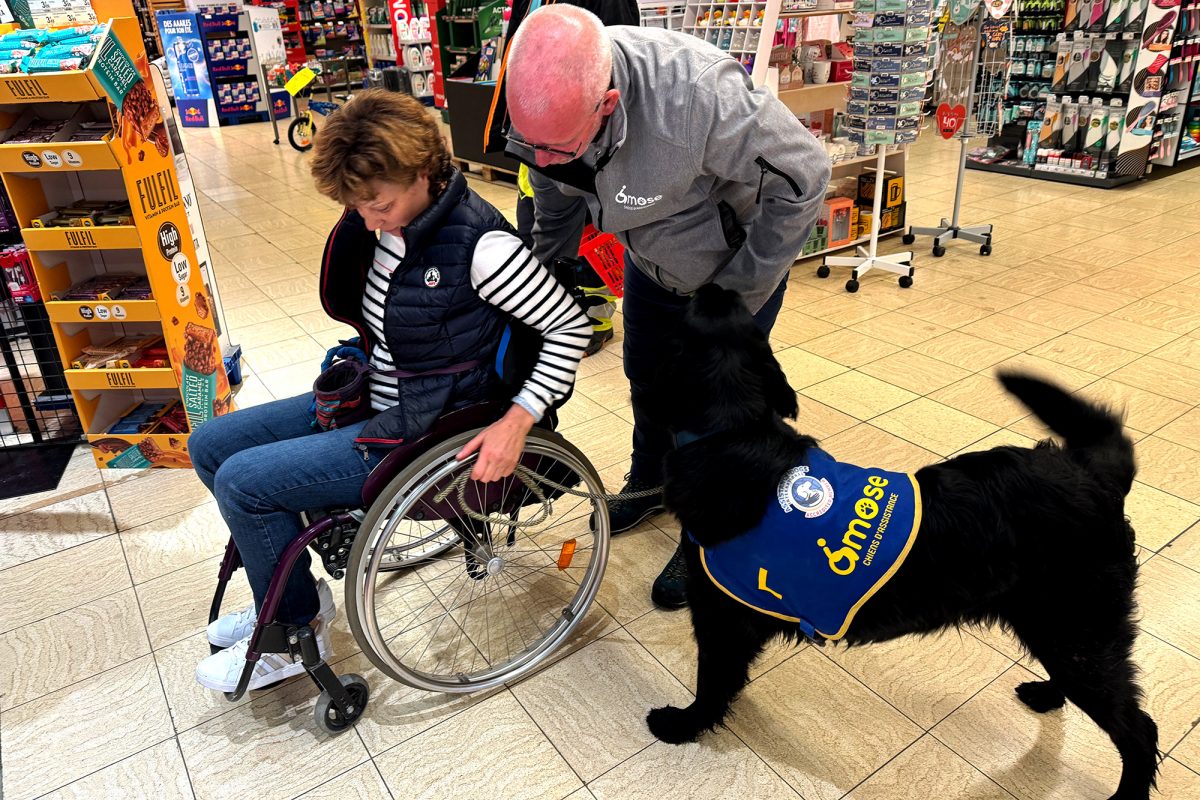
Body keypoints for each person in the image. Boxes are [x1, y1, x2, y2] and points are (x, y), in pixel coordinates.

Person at [189, 89, 591, 693]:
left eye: (379, 204)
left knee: (242, 484)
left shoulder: (483, 248)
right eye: (358, 205)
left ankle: (295, 630)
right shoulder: (388, 221)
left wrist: (515, 422)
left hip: (431, 422)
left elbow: (569, 326)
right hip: (384, 389)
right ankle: (291, 587)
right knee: (210, 445)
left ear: (422, 173)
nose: (369, 219)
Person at [504, 5, 832, 609]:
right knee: (647, 377)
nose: (542, 161)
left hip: (729, 272)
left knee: (710, 412)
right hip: (648, 259)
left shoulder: (696, 93)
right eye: (533, 146)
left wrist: (736, 294)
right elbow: (554, 190)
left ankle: (703, 537)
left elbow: (806, 175)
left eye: (556, 147)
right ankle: (651, 478)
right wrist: (547, 266)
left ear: (605, 105)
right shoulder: (545, 112)